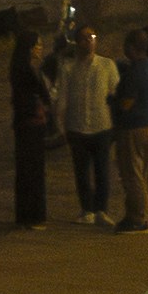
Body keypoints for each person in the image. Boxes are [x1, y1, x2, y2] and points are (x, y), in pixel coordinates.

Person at [54, 26, 121, 224]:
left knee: (102, 171)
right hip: (77, 127)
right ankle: (87, 210)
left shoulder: (107, 65)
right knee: (81, 173)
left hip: (102, 126)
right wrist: (60, 126)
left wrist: (117, 124)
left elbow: (115, 94)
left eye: (92, 37)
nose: (89, 41)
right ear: (77, 42)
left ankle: (101, 210)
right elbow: (63, 98)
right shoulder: (68, 68)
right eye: (84, 38)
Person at [109, 26, 148, 232]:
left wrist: (113, 103)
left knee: (132, 175)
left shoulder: (134, 71)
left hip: (135, 127)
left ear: (131, 48)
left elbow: (127, 103)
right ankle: (135, 215)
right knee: (139, 174)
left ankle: (137, 218)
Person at [7, 21, 54, 230]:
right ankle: (35, 216)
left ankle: (25, 214)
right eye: (38, 45)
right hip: (31, 125)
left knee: (26, 172)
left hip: (24, 124)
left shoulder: (19, 67)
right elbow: (42, 96)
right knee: (34, 171)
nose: (40, 49)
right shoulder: (27, 70)